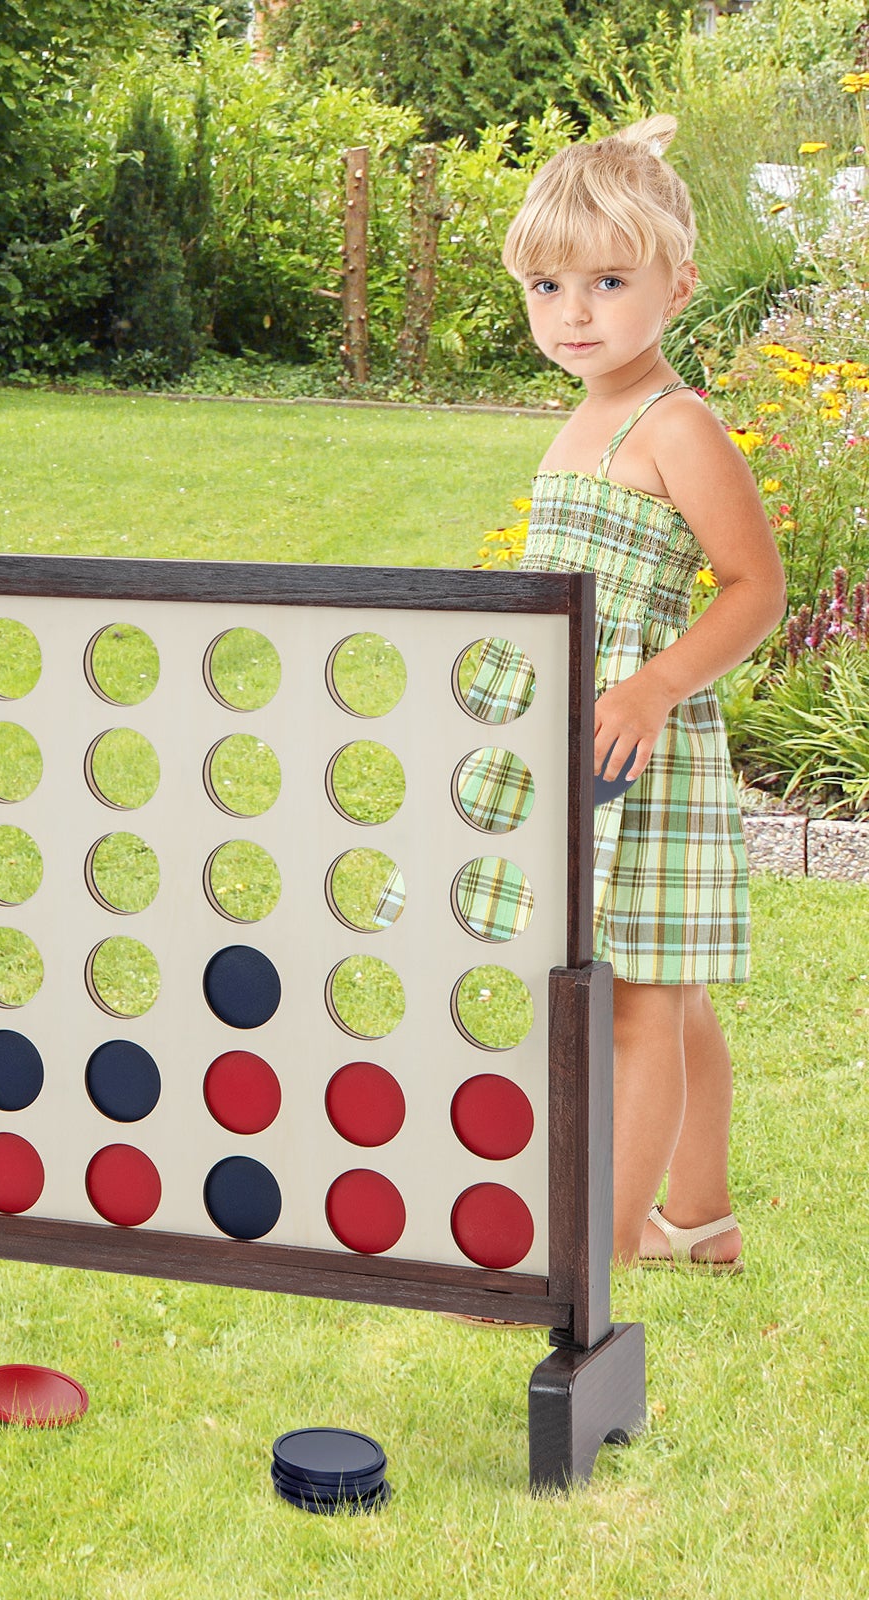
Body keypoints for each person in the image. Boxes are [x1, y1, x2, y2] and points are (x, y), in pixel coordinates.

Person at [480, 115, 784, 1270]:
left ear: (679, 283)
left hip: (637, 750)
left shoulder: (676, 424)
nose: (573, 312)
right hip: (577, 734)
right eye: (548, 285)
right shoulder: (584, 416)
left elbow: (755, 586)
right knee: (668, 987)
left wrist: (655, 686)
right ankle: (697, 1217)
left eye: (608, 281)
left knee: (634, 1000)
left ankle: (590, 1254)